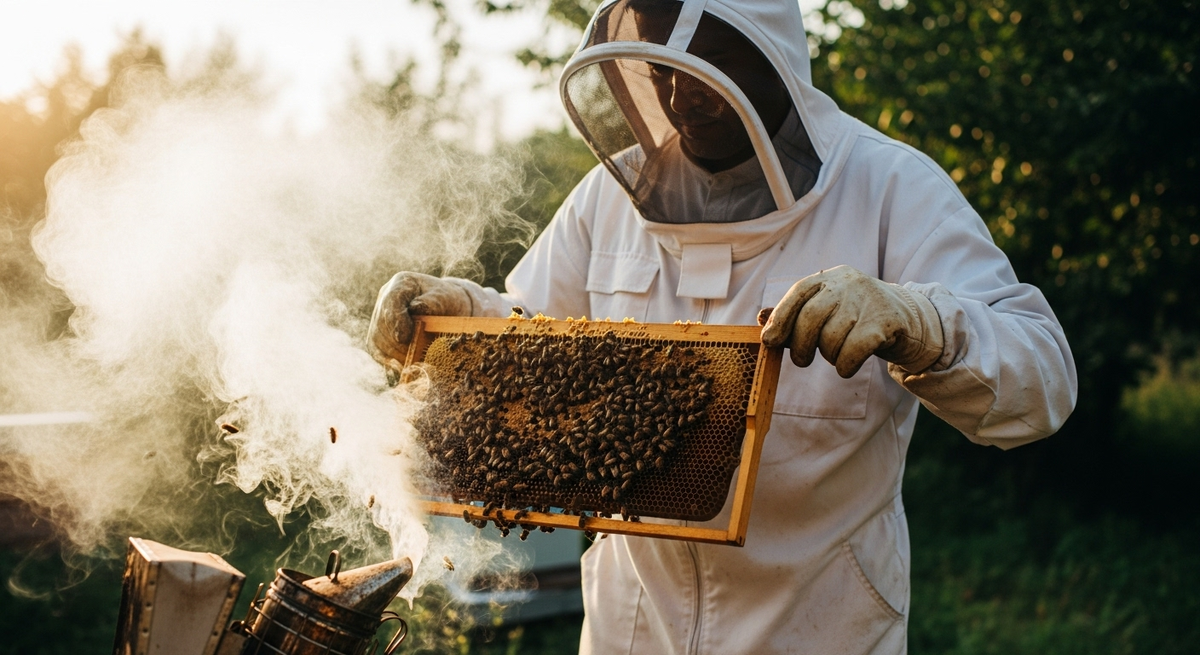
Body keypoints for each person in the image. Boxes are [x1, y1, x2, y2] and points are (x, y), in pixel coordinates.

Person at [369, 0, 1077, 652]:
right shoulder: (610, 198)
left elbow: (1043, 382)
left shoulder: (890, 188)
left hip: (815, 633)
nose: (682, 96)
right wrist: (460, 316)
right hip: (628, 632)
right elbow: (529, 338)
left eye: (712, 64)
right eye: (661, 67)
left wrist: (921, 321)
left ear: (774, 53)